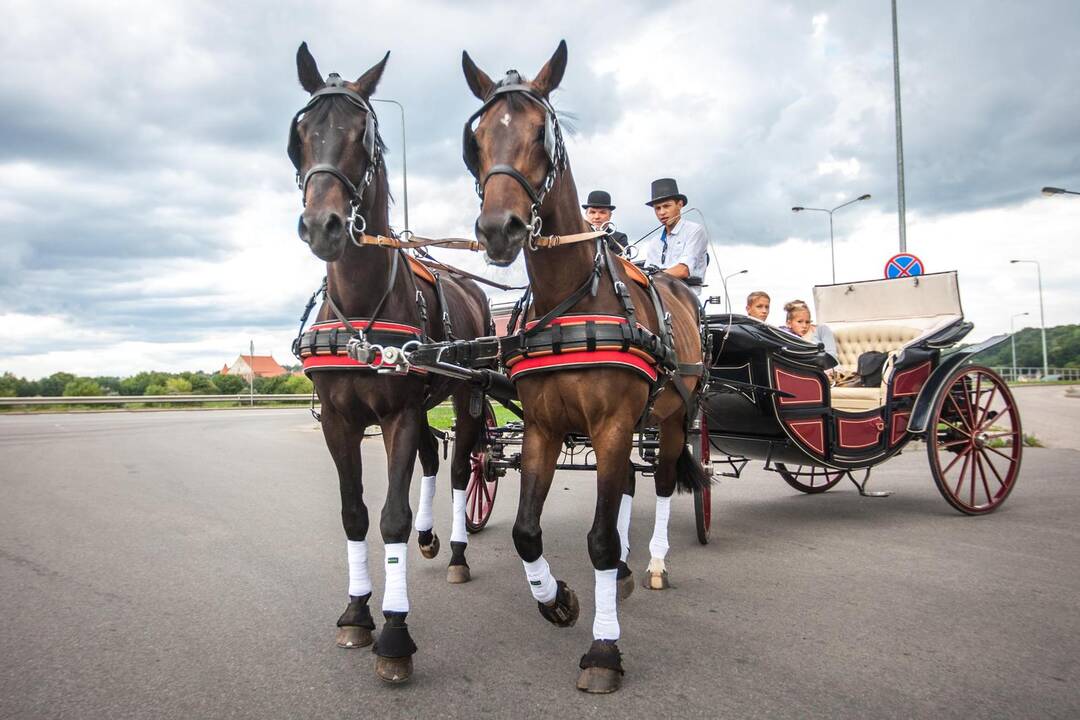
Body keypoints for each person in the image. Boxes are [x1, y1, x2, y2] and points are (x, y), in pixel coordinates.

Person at [641, 178, 709, 291]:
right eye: (657, 208)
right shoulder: (655, 241)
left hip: (685, 298)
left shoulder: (695, 231)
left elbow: (683, 270)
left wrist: (650, 277)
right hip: (658, 296)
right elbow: (647, 271)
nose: (662, 212)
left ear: (680, 204)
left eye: (667, 206)